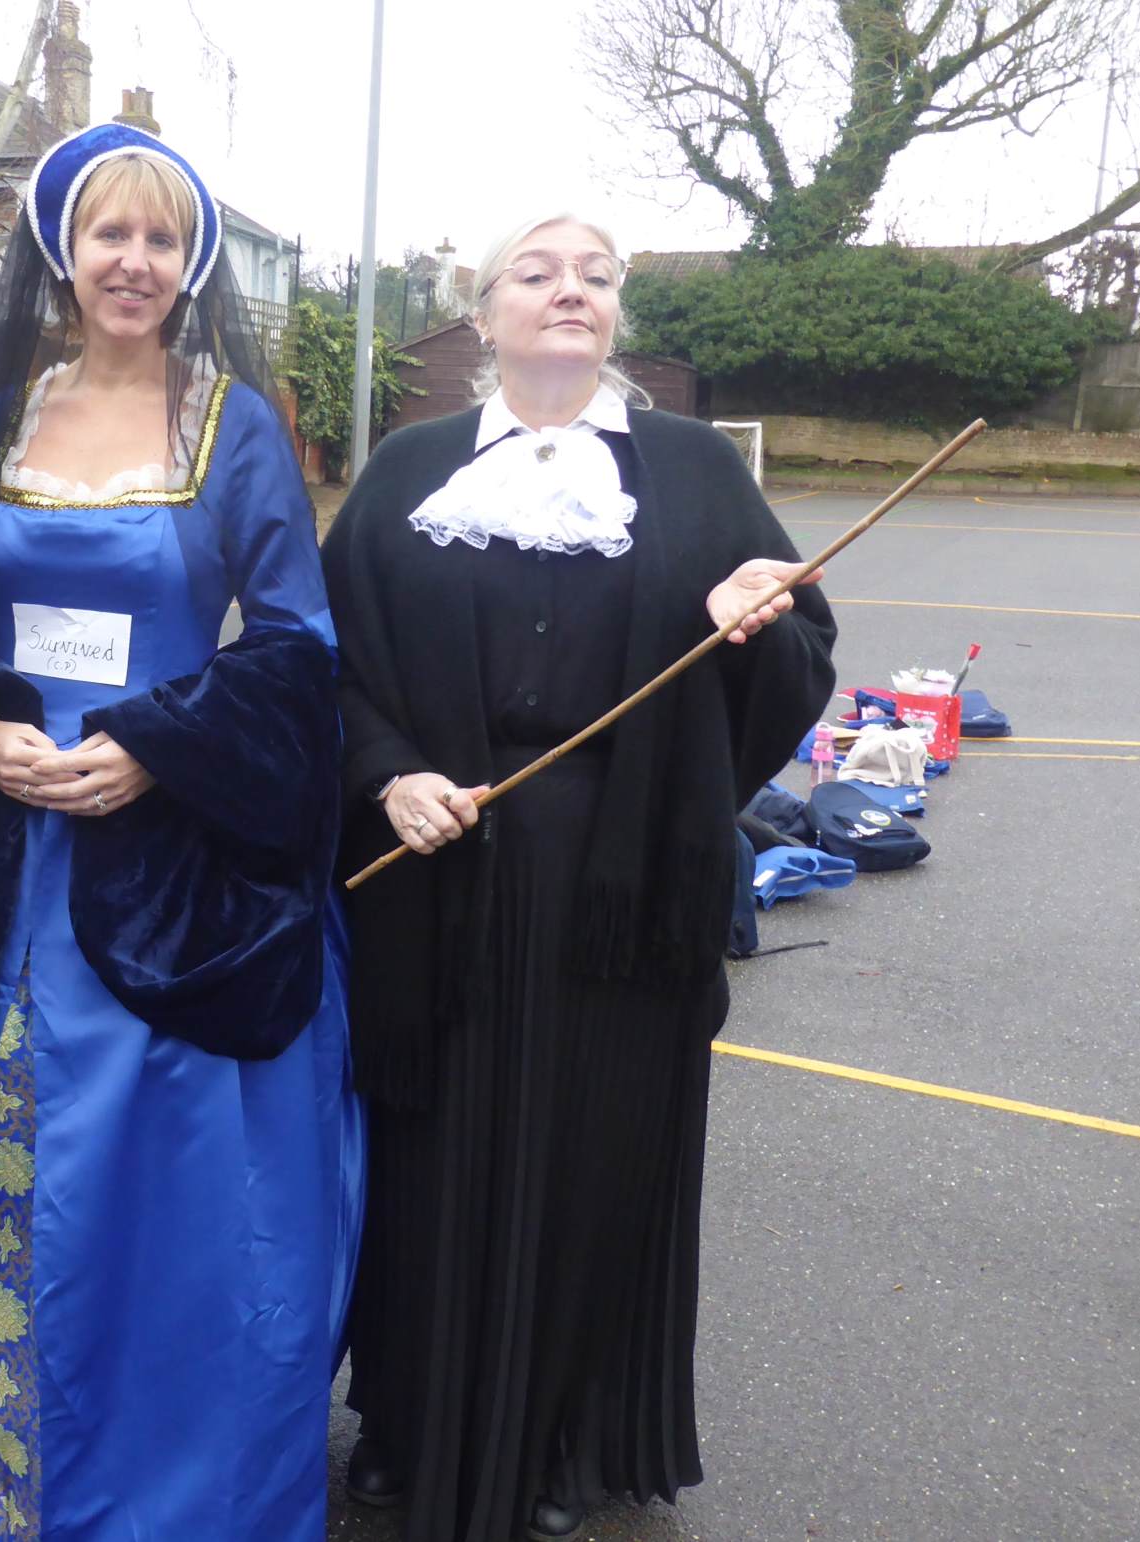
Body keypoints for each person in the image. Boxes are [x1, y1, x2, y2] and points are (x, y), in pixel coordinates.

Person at [0, 123, 362, 1541]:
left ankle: (140, 1488)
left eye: (163, 239)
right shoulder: (6, 415)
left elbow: (297, 642)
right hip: (5, 833)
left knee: (147, 1166)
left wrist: (159, 748)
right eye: (111, 233)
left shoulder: (233, 423)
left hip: (159, 853)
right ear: (63, 252)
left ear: (192, 264)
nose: (135, 261)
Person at [322, 216, 836, 1542]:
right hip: (439, 875)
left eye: (597, 277)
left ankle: (562, 1431)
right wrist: (388, 775)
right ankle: (409, 1416)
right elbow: (327, 661)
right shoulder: (411, 467)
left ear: (616, 315)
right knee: (431, 1162)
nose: (571, 291)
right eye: (539, 273)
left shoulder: (697, 469)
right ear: (481, 309)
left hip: (626, 890)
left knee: (595, 1160)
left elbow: (800, 658)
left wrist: (751, 623)